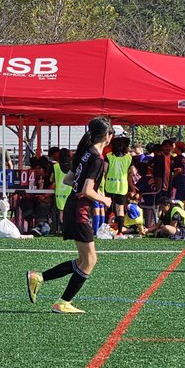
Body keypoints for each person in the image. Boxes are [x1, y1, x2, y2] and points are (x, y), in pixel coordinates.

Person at [27, 117, 113, 314]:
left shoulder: (85, 153)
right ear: (107, 136)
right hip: (80, 211)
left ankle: (39, 277)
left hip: (72, 206)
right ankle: (63, 302)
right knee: (90, 261)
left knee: (84, 260)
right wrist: (104, 199)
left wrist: (85, 190)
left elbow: (68, 179)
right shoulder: (97, 159)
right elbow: (87, 188)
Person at [104, 134, 132, 238]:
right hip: (122, 187)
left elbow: (104, 170)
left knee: (108, 207)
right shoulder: (128, 157)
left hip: (110, 185)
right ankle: (120, 232)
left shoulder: (109, 156)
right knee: (120, 210)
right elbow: (133, 172)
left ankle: (107, 229)